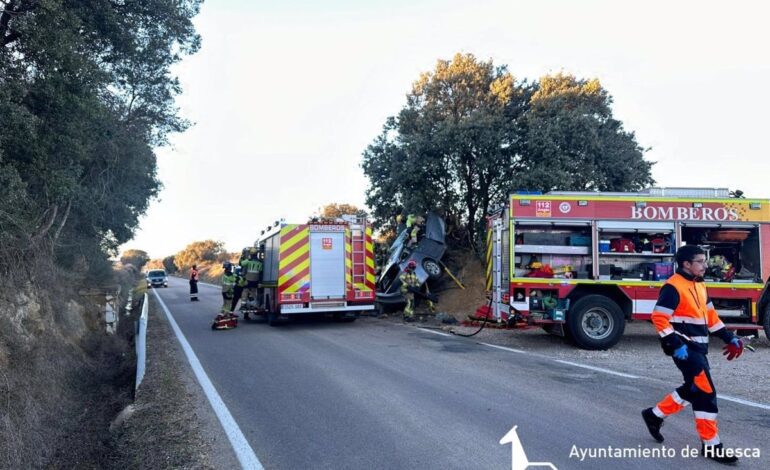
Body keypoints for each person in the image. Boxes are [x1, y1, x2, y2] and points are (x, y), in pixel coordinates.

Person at [642, 245, 744, 464]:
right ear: (686, 264)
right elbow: (659, 317)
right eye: (700, 261)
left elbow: (710, 317)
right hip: (684, 349)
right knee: (706, 392)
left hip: (698, 347)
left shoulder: (700, 285)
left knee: (695, 388)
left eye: (704, 261)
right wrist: (674, 344)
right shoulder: (672, 287)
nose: (704, 265)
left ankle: (654, 415)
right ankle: (712, 446)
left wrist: (729, 337)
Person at [212, 262, 238, 330]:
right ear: (229, 268)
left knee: (225, 304)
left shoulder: (224, 275)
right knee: (228, 305)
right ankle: (225, 317)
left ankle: (220, 315)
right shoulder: (230, 276)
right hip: (229, 292)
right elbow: (234, 280)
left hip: (224, 292)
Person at [240, 246, 263, 318]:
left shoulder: (248, 261)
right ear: (256, 254)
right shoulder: (260, 263)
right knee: (253, 293)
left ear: (251, 254)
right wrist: (260, 282)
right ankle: (253, 305)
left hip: (248, 280)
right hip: (255, 281)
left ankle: (243, 305)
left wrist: (243, 256)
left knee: (245, 291)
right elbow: (261, 273)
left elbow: (241, 263)